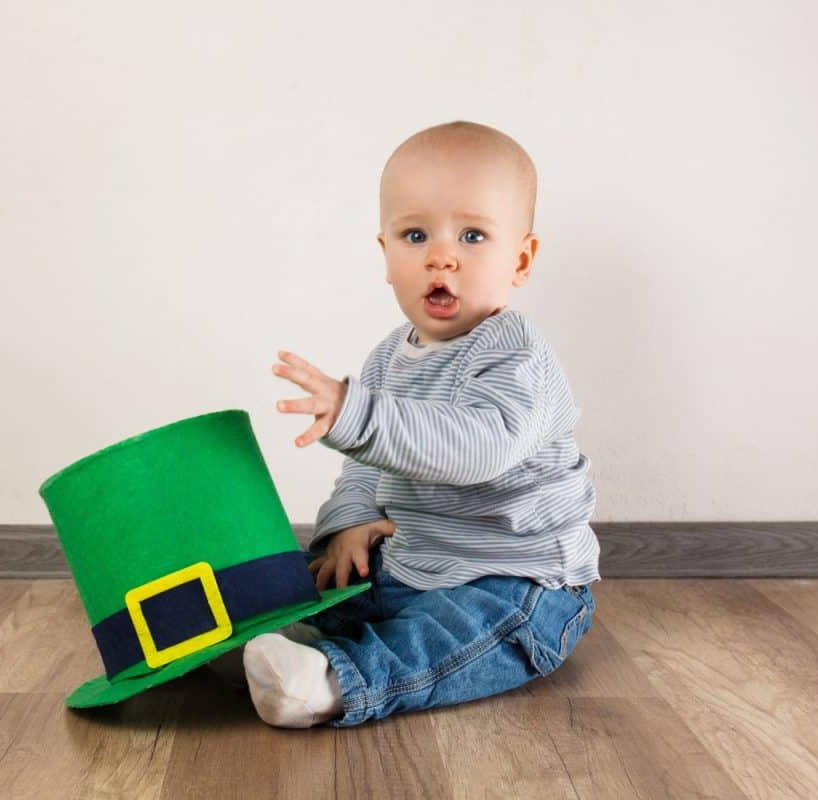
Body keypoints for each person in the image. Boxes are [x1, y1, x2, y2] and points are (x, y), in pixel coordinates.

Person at [237, 120, 600, 728]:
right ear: (385, 255)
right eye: (414, 234)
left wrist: (358, 413)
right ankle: (261, 639)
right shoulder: (388, 356)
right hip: (416, 561)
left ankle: (329, 684)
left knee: (450, 635)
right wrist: (348, 524)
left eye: (473, 235)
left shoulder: (516, 353)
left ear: (522, 258)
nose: (441, 255)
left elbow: (479, 448)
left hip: (518, 581)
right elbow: (366, 462)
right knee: (322, 577)